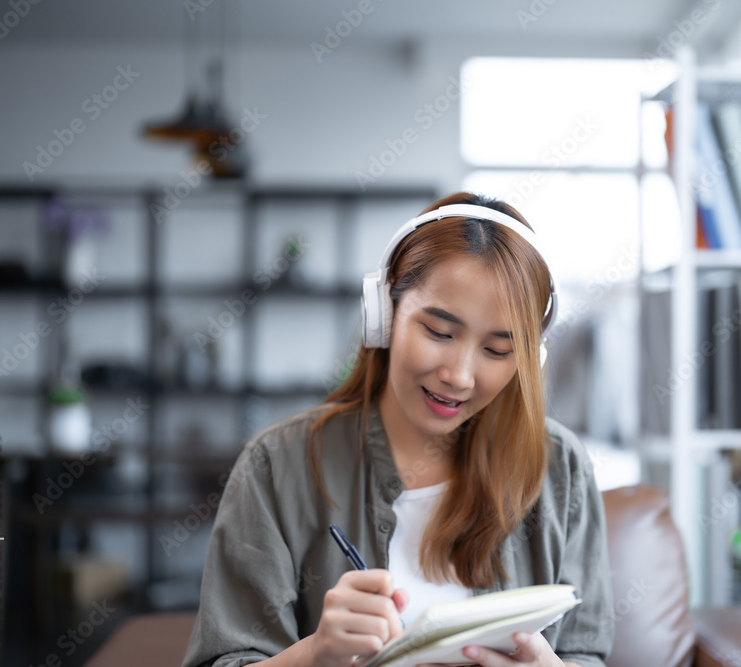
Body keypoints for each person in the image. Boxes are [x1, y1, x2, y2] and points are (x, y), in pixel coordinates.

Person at [182, 192, 614, 667]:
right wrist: (316, 654)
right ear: (383, 314)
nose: (460, 375)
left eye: (497, 350)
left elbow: (584, 653)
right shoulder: (278, 463)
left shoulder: (561, 468)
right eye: (439, 333)